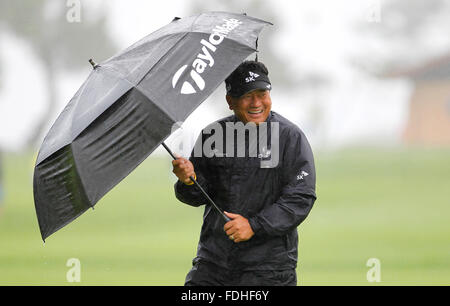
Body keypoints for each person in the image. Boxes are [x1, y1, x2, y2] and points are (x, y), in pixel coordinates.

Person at [172, 60, 316, 286]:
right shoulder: (212, 135)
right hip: (213, 264)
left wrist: (254, 226)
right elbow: (196, 196)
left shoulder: (289, 137)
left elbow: (300, 198)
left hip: (269, 269)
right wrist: (188, 181)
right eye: (248, 96)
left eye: (262, 93)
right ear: (231, 101)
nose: (257, 103)